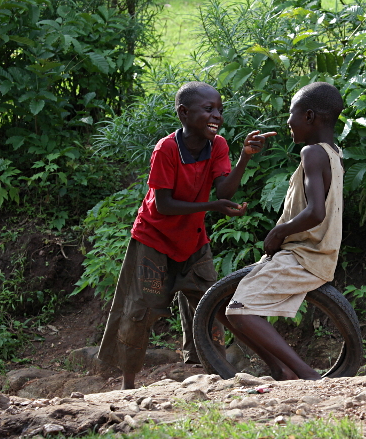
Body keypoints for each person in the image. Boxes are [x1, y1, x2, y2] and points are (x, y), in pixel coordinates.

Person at [97, 81, 276, 389]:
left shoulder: (217, 145)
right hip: (153, 240)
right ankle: (128, 386)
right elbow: (164, 205)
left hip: (193, 240)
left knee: (213, 304)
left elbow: (225, 189)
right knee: (139, 309)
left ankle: (216, 377)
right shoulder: (166, 149)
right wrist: (212, 205)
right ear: (183, 112)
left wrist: (245, 156)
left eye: (220, 109)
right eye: (209, 109)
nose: (217, 115)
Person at [223, 81, 344, 381]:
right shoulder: (333, 152)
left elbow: (316, 211)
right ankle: (280, 370)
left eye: (292, 113)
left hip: (304, 255)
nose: (287, 121)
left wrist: (278, 233)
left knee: (238, 310)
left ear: (310, 117)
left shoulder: (312, 153)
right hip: (313, 252)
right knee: (229, 308)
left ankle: (306, 374)